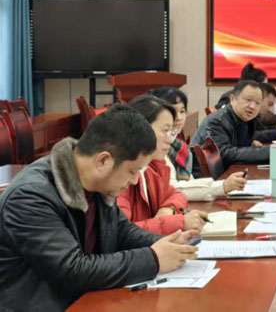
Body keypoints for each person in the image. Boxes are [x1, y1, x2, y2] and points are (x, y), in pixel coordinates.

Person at [0, 105, 198, 311]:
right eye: (132, 171)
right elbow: (72, 270)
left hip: (86, 301)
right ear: (103, 161)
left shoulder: (97, 183)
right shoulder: (31, 196)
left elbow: (121, 231)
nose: (134, 181)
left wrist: (166, 245)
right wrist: (153, 259)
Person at [117, 95, 210, 233]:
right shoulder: (120, 173)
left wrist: (168, 209)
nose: (171, 140)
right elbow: (121, 233)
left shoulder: (154, 165)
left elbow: (176, 194)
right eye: (165, 131)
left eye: (172, 132)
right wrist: (179, 222)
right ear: (141, 128)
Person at [150, 87, 247, 201]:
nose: (179, 117)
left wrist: (222, 186)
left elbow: (188, 182)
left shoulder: (178, 145)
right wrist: (221, 186)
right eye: (172, 111)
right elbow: (172, 189)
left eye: (182, 111)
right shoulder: (158, 147)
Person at [191, 80, 269, 174]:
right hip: (207, 178)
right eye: (248, 100)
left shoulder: (246, 119)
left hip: (228, 172)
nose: (253, 106)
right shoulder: (217, 121)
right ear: (232, 99)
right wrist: (267, 152)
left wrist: (249, 144)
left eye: (257, 103)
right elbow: (224, 155)